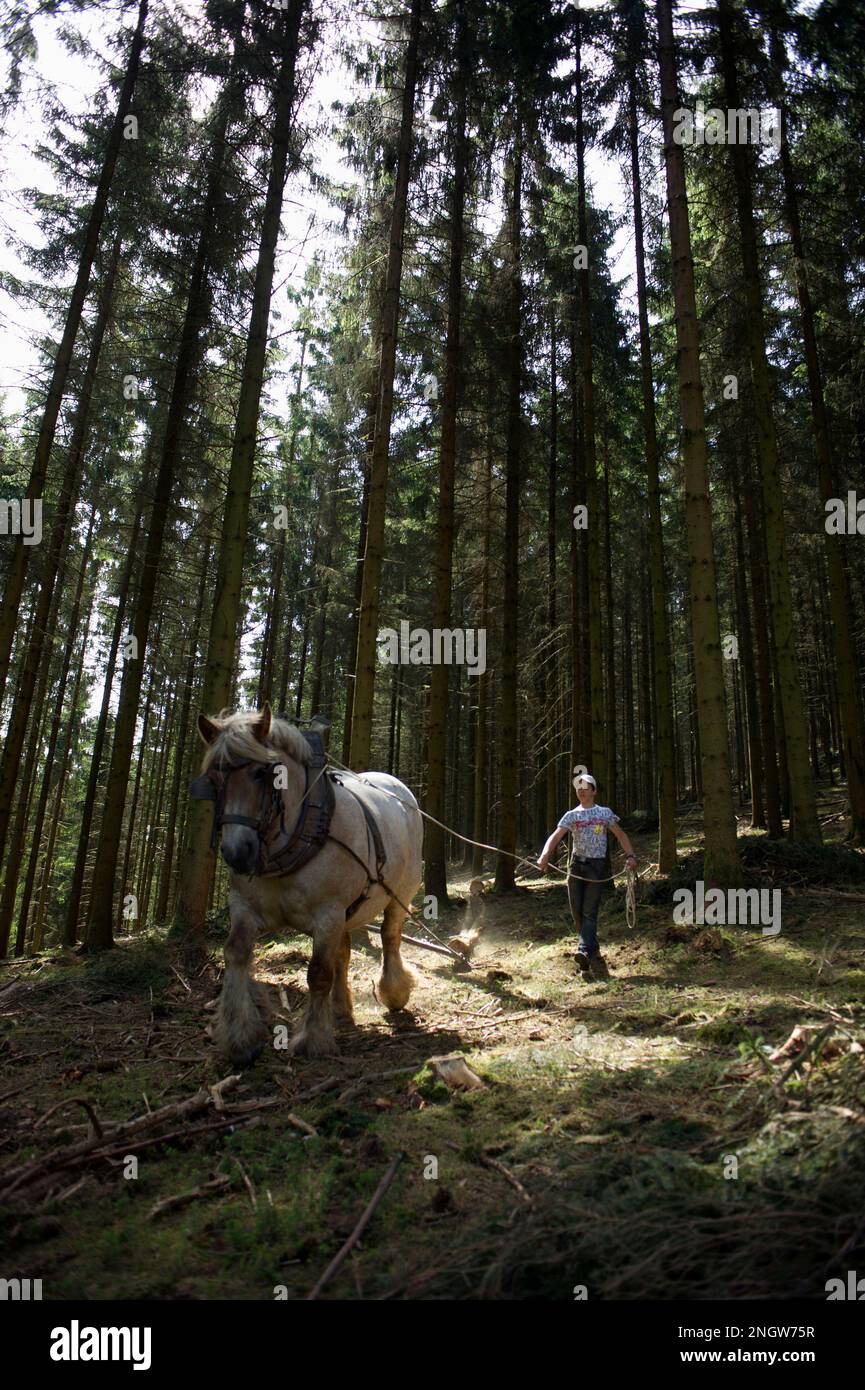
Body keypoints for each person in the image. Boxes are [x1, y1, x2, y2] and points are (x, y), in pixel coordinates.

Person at [537, 773, 637, 978]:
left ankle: (583, 950)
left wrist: (631, 856)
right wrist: (545, 855)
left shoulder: (604, 813)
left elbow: (620, 834)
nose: (581, 790)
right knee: (577, 911)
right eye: (578, 787)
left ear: (594, 791)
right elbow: (556, 836)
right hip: (576, 867)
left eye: (586, 786)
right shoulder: (571, 815)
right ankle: (593, 949)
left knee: (589, 911)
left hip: (596, 868)